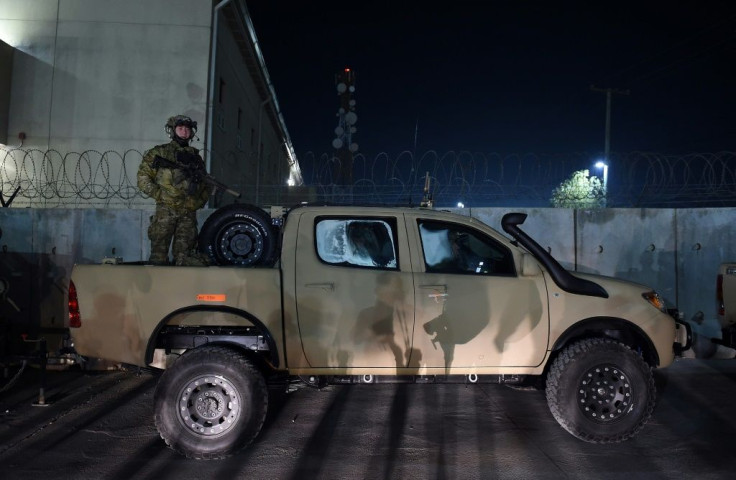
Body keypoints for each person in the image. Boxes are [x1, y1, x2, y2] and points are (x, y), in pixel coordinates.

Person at [137, 115, 210, 265]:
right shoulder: (160, 153)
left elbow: (205, 183)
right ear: (172, 130)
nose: (184, 132)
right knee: (158, 257)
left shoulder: (196, 158)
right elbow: (143, 178)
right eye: (180, 128)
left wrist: (198, 202)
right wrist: (159, 195)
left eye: (187, 129)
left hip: (188, 213)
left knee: (184, 258)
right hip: (166, 211)